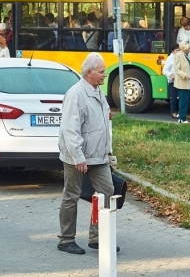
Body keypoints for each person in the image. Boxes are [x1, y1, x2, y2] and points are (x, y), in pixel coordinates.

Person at [57, 53, 116, 255]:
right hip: (78, 156)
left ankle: (97, 237)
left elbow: (103, 124)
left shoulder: (98, 91)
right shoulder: (76, 94)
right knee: (71, 195)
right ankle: (65, 239)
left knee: (107, 191)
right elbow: (70, 129)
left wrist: (108, 150)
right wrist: (78, 157)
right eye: (101, 72)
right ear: (89, 72)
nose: (104, 75)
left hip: (98, 155)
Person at [173, 41, 190, 124]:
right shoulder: (178, 56)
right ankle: (182, 118)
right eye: (188, 49)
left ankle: (180, 113)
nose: (189, 50)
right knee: (184, 100)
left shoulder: (188, 55)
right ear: (183, 49)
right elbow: (176, 69)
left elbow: (189, 66)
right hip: (183, 81)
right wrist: (185, 75)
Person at [163, 44, 180, 119]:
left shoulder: (179, 57)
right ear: (173, 51)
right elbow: (164, 70)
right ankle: (173, 112)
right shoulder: (170, 58)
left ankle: (179, 112)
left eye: (179, 50)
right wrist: (171, 75)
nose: (178, 52)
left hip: (179, 80)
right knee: (173, 97)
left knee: (180, 97)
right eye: (176, 50)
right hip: (172, 81)